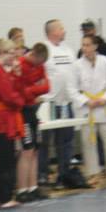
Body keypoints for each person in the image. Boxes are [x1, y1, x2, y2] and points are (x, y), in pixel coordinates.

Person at [73, 34, 106, 185]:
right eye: (83, 45)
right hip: (87, 107)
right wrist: (86, 101)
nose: (85, 48)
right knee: (88, 141)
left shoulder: (105, 61)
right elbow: (72, 89)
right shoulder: (77, 65)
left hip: (103, 104)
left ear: (95, 46)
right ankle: (93, 173)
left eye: (88, 45)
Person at [38, 20, 77, 188]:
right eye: (61, 28)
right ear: (53, 31)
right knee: (45, 142)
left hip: (66, 103)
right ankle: (42, 175)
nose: (64, 30)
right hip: (48, 102)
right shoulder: (43, 49)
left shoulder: (68, 50)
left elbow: (75, 72)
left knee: (66, 141)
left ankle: (63, 174)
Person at [0, 38, 24, 209]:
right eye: (10, 53)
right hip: (3, 117)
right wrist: (21, 101)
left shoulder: (1, 71)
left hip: (5, 116)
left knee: (6, 156)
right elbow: (9, 95)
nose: (13, 56)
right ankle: (3, 196)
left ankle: (3, 195)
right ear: (2, 53)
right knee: (3, 157)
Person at [15, 43, 50, 203]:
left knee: (35, 150)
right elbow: (22, 92)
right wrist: (35, 90)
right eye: (38, 63)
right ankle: (22, 189)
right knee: (26, 151)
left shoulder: (40, 65)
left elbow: (47, 87)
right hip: (23, 112)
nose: (40, 67)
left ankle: (33, 187)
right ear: (34, 55)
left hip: (33, 111)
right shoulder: (21, 65)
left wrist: (32, 91)